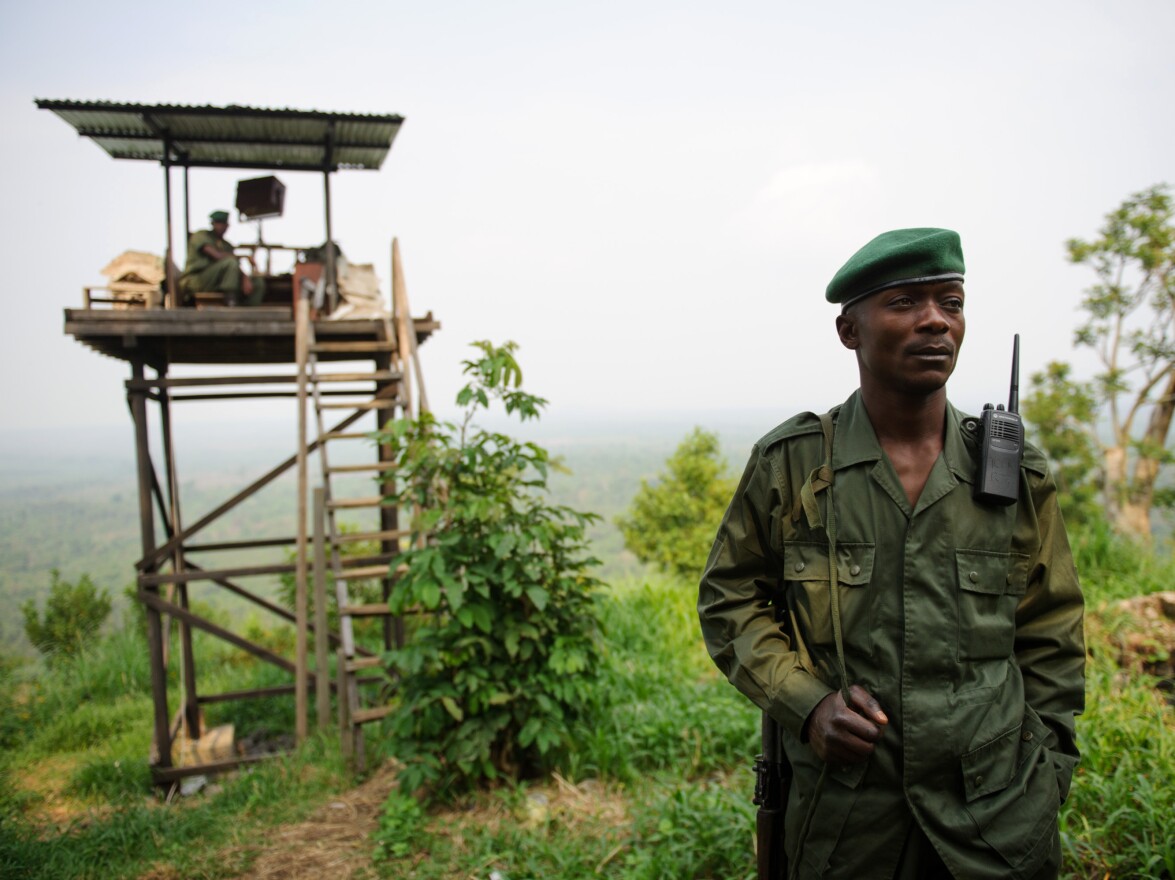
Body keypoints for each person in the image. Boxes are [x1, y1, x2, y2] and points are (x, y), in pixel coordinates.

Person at [698, 228, 1085, 880]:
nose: (935, 320)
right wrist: (807, 703)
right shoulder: (792, 467)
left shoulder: (1012, 475)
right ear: (849, 330)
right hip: (845, 823)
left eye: (950, 302)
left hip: (995, 824)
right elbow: (728, 599)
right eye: (905, 302)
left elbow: (1051, 629)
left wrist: (1046, 773)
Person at [180, 210, 265, 306]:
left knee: (257, 282)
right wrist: (244, 256)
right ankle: (230, 302)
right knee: (230, 263)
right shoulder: (201, 236)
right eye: (218, 223)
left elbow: (234, 267)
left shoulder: (226, 245)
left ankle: (249, 314)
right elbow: (217, 256)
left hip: (219, 281)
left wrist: (244, 277)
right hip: (198, 280)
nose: (221, 226)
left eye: (223, 223)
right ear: (212, 223)